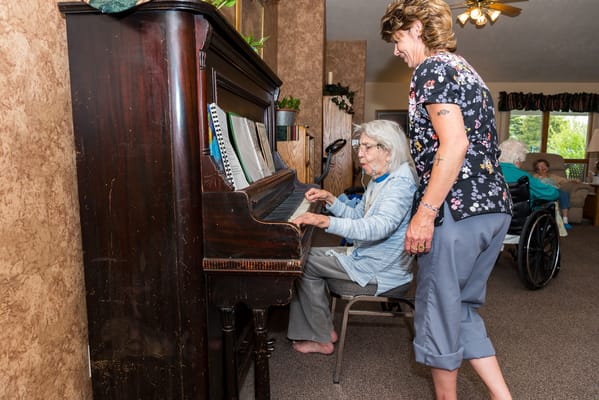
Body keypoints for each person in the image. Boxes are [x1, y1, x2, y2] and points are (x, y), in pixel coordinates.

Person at [380, 1, 513, 399]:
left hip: (455, 210)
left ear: (417, 28)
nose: (395, 50)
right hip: (493, 207)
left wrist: (425, 213)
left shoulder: (431, 69)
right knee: (462, 310)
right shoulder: (467, 70)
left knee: (437, 315)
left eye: (398, 38)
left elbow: (453, 145)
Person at [287, 119, 417, 355]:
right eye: (360, 146)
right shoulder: (384, 177)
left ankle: (322, 338)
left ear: (387, 151)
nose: (360, 153)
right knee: (305, 256)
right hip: (367, 256)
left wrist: (324, 221)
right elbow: (359, 216)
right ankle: (322, 329)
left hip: (381, 270)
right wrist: (330, 199)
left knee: (302, 262)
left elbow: (378, 227)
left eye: (367, 147)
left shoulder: (400, 184)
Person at [498, 140, 560, 204]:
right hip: (521, 212)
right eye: (522, 161)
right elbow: (553, 194)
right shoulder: (523, 176)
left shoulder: (490, 171)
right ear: (518, 159)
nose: (522, 164)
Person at [533, 158, 575, 229]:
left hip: (555, 191)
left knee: (564, 194)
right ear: (537, 170)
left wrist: (574, 180)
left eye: (544, 165)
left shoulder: (553, 176)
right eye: (540, 166)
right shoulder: (535, 176)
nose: (543, 167)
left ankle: (565, 221)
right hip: (544, 192)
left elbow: (565, 180)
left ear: (548, 167)